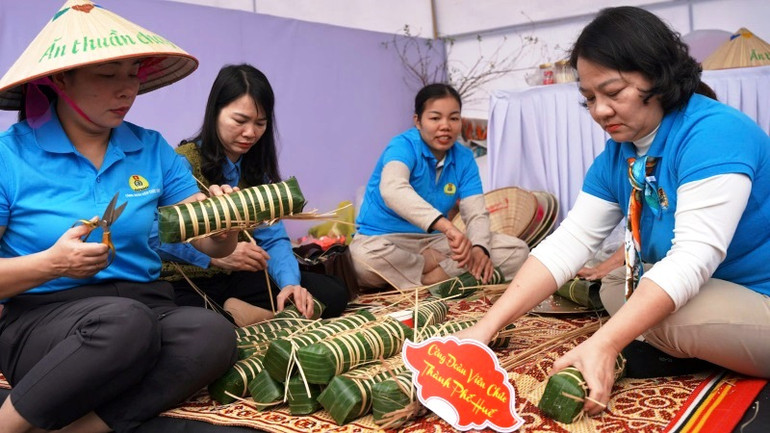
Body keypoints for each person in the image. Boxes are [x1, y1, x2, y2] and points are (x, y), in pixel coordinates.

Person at [456, 5, 770, 417]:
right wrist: (483, 330)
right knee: (616, 285)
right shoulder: (616, 156)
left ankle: (683, 348)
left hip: (758, 294)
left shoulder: (713, 132)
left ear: (657, 77)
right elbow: (569, 242)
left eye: (613, 92)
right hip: (714, 288)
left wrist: (605, 343)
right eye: (589, 98)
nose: (600, 110)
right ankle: (695, 346)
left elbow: (694, 256)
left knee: (647, 309)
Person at [0, 1, 240, 432]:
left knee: (213, 332)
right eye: (108, 76)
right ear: (59, 80)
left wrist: (224, 229)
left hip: (144, 306)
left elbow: (207, 239)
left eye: (133, 74)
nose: (126, 90)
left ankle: (84, 429)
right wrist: (53, 264)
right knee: (125, 324)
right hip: (45, 319)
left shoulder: (151, 148)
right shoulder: (10, 156)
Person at [155, 64, 349, 326]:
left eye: (260, 123)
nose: (250, 133)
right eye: (240, 121)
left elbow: (272, 238)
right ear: (215, 113)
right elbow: (156, 235)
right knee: (203, 325)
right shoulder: (182, 165)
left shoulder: (255, 171)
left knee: (332, 293)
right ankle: (256, 318)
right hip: (189, 278)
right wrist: (214, 256)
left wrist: (291, 284)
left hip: (237, 278)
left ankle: (250, 316)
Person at [350, 83, 529, 290]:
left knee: (517, 251)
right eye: (435, 118)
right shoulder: (403, 146)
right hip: (386, 241)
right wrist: (446, 226)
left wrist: (480, 249)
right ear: (418, 121)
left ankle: (430, 279)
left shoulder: (464, 157)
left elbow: (476, 212)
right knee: (361, 260)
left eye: (453, 118)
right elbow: (393, 189)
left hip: (434, 243)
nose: (445, 126)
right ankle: (436, 270)